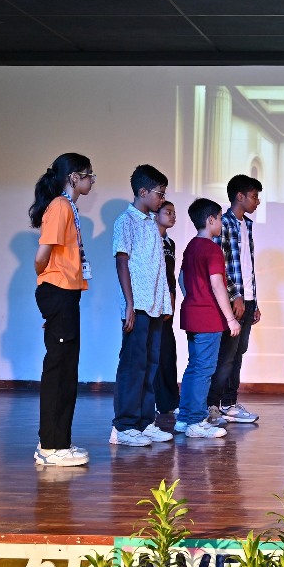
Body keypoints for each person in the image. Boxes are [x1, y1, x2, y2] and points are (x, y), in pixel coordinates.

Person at [29, 153, 95, 467]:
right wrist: (48, 280)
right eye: (88, 175)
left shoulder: (68, 207)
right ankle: (50, 447)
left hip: (66, 294)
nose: (91, 181)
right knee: (59, 370)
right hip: (58, 291)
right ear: (73, 177)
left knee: (68, 368)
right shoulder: (59, 206)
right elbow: (42, 255)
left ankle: (59, 442)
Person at [111, 164, 174, 447]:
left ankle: (145, 422)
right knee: (133, 366)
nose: (162, 199)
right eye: (159, 193)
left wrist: (165, 302)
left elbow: (157, 267)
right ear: (143, 191)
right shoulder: (126, 221)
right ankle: (124, 426)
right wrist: (129, 304)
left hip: (155, 305)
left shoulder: (152, 223)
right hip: (137, 306)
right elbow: (122, 262)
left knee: (151, 365)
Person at [174, 199, 242, 438]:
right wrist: (231, 319)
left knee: (194, 367)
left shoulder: (191, 246)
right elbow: (217, 284)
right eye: (220, 218)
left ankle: (184, 418)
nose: (221, 223)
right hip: (208, 318)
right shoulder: (212, 249)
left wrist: (194, 297)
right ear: (210, 220)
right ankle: (195, 421)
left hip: (192, 314)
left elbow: (181, 278)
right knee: (204, 369)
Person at [207, 175, 263, 425]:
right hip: (233, 300)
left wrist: (254, 301)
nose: (257, 202)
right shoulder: (225, 224)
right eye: (254, 196)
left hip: (247, 300)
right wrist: (235, 296)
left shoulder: (246, 225)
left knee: (239, 353)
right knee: (226, 355)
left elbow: (247, 267)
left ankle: (229, 403)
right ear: (240, 196)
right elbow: (219, 265)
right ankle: (212, 405)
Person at [153, 200, 180, 416]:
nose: (172, 216)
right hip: (153, 303)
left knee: (168, 353)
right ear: (156, 214)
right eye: (168, 212)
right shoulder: (150, 239)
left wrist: (172, 296)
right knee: (155, 353)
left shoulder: (170, 243)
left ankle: (169, 402)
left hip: (168, 304)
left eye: (174, 213)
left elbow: (170, 274)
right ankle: (155, 400)